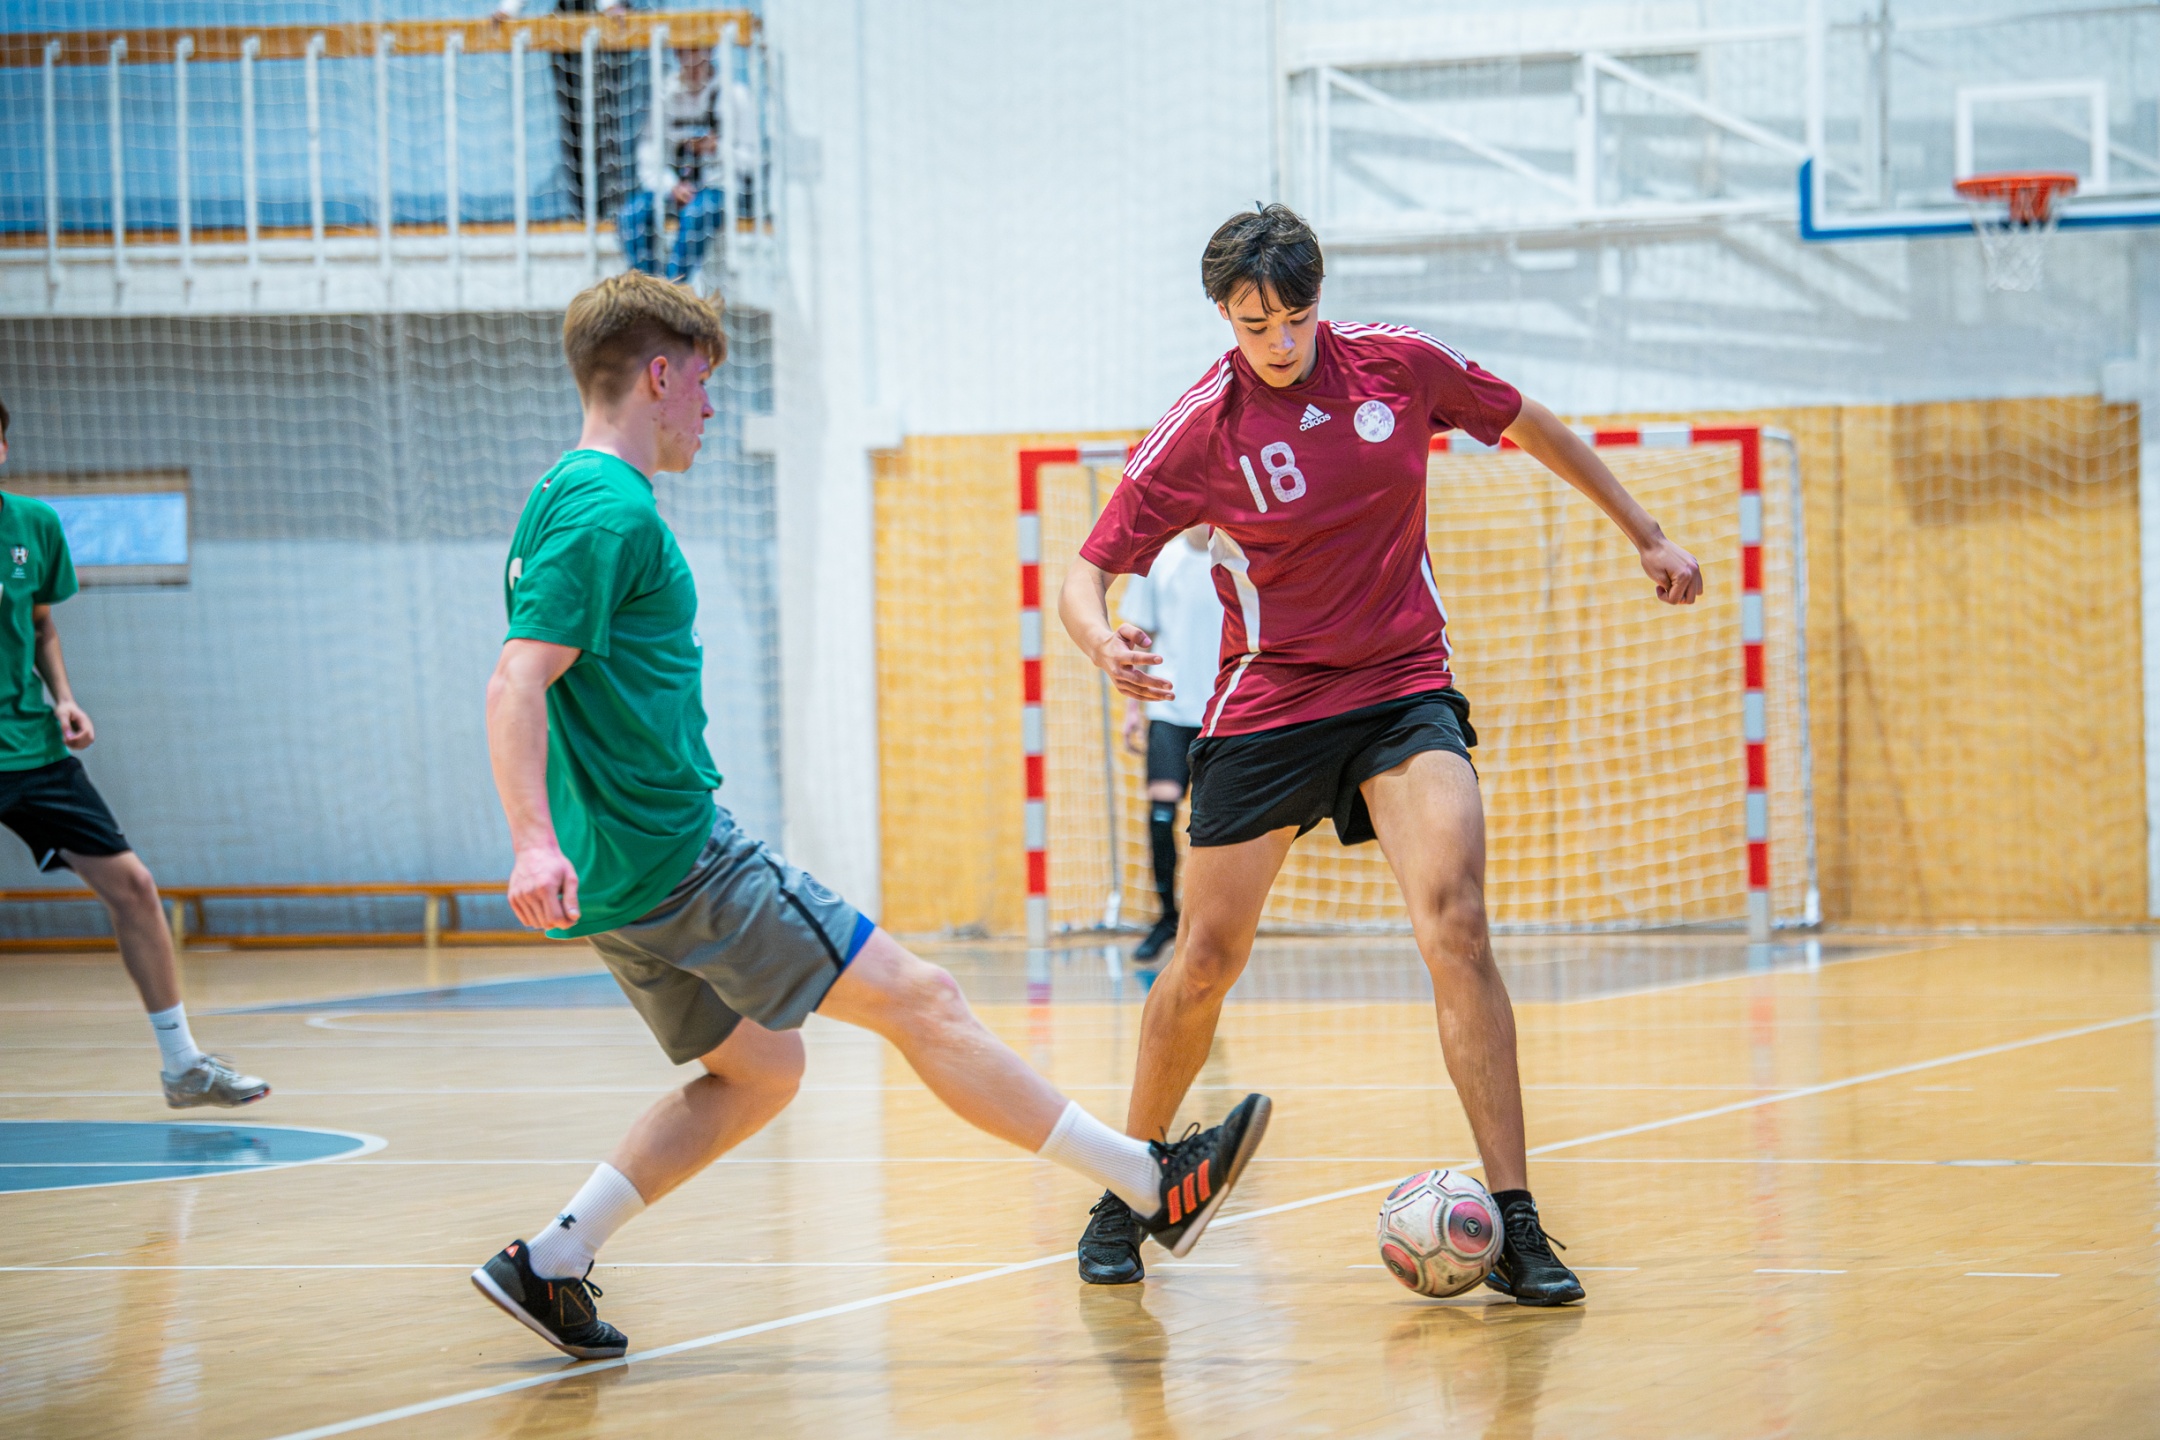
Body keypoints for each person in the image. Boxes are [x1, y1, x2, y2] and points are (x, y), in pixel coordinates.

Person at [469, 271, 1270, 1359]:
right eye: (701, 381)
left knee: (761, 1070)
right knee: (923, 999)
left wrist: (556, 844)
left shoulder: (562, 495)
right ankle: (1147, 1180)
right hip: (679, 858)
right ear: (658, 376)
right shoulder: (609, 507)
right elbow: (517, 679)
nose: (709, 405)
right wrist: (530, 842)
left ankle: (552, 1261)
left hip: (620, 880)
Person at [1057, 205, 1703, 1297]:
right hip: (1269, 703)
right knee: (1204, 958)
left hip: (1403, 687)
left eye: (1295, 317)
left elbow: (1529, 422)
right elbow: (1086, 572)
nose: (1279, 341)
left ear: (1320, 300)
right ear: (1223, 315)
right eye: (1254, 323)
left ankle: (1518, 1222)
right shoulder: (1200, 429)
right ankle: (1128, 1188)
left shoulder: (1397, 368)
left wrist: (1645, 532)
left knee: (1457, 920)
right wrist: (1100, 642)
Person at [0, 400, 268, 1109]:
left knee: (134, 887)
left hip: (29, 745)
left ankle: (184, 1067)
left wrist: (64, 697)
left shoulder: (32, 525)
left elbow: (41, 623)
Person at [1116, 524, 1218, 962]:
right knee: (1161, 812)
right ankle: (1166, 918)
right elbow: (1138, 638)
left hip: (1222, 710)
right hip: (1169, 709)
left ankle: (1208, 925)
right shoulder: (1160, 560)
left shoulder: (1236, 558)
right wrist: (1133, 709)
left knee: (1214, 824)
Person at [493, 0, 639, 223]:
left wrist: (609, 6)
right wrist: (508, 9)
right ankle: (584, 208)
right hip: (567, 27)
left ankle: (612, 206)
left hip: (603, 25)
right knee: (574, 124)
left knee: (604, 121)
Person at [616, 47, 730, 283]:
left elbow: (751, 161)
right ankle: (648, 289)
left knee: (697, 212)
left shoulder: (732, 95)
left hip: (716, 188)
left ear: (710, 52)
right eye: (685, 53)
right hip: (672, 188)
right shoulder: (666, 95)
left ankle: (673, 289)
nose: (692, 61)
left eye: (698, 53)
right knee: (632, 214)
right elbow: (648, 157)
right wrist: (671, 186)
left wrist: (717, 149)